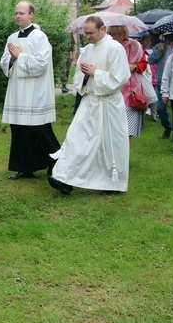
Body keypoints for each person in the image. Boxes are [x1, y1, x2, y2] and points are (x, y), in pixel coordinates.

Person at [48, 16, 130, 195]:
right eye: (85, 33)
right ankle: (64, 178)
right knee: (77, 139)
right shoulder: (86, 50)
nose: (88, 37)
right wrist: (86, 76)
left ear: (103, 29)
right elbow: (77, 77)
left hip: (109, 104)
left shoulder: (115, 48)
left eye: (91, 33)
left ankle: (112, 184)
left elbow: (121, 77)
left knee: (109, 144)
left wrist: (95, 73)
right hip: (90, 101)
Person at [0, 1, 60, 180]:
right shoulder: (12, 37)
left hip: (35, 91)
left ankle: (57, 162)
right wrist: (11, 59)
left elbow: (42, 64)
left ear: (31, 15)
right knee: (18, 128)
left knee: (38, 128)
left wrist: (20, 56)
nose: (18, 16)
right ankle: (25, 167)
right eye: (16, 13)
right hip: (17, 91)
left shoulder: (40, 37)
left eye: (22, 13)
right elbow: (4, 63)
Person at [108, 25, 147, 146]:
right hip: (113, 88)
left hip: (131, 91)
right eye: (114, 34)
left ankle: (124, 157)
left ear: (125, 33)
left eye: (120, 34)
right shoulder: (108, 46)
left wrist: (135, 66)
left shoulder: (134, 45)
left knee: (129, 129)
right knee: (113, 127)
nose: (117, 37)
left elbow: (143, 62)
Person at [148, 33, 173, 138]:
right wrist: (159, 51)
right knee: (160, 108)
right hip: (161, 81)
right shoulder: (161, 46)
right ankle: (168, 127)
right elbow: (150, 61)